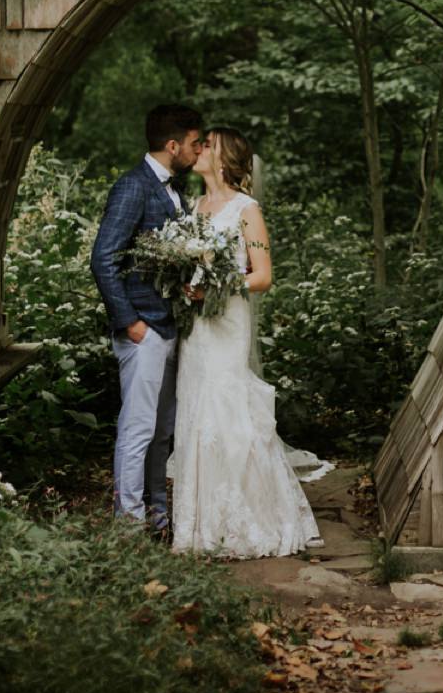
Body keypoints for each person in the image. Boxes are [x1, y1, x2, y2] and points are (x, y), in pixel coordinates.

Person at [168, 127, 322, 558]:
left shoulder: (247, 210)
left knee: (228, 412)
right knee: (197, 409)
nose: (199, 151)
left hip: (227, 323)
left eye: (207, 145)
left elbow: (263, 276)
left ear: (224, 158)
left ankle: (248, 521)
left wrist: (218, 285)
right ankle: (200, 527)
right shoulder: (194, 206)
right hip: (196, 327)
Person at [90, 103, 203, 530]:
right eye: (194, 143)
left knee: (161, 432)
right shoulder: (132, 187)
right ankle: (129, 521)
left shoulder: (175, 191)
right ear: (173, 145)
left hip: (171, 326)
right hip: (143, 329)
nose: (198, 151)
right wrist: (130, 322)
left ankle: (158, 513)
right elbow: (103, 259)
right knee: (138, 430)